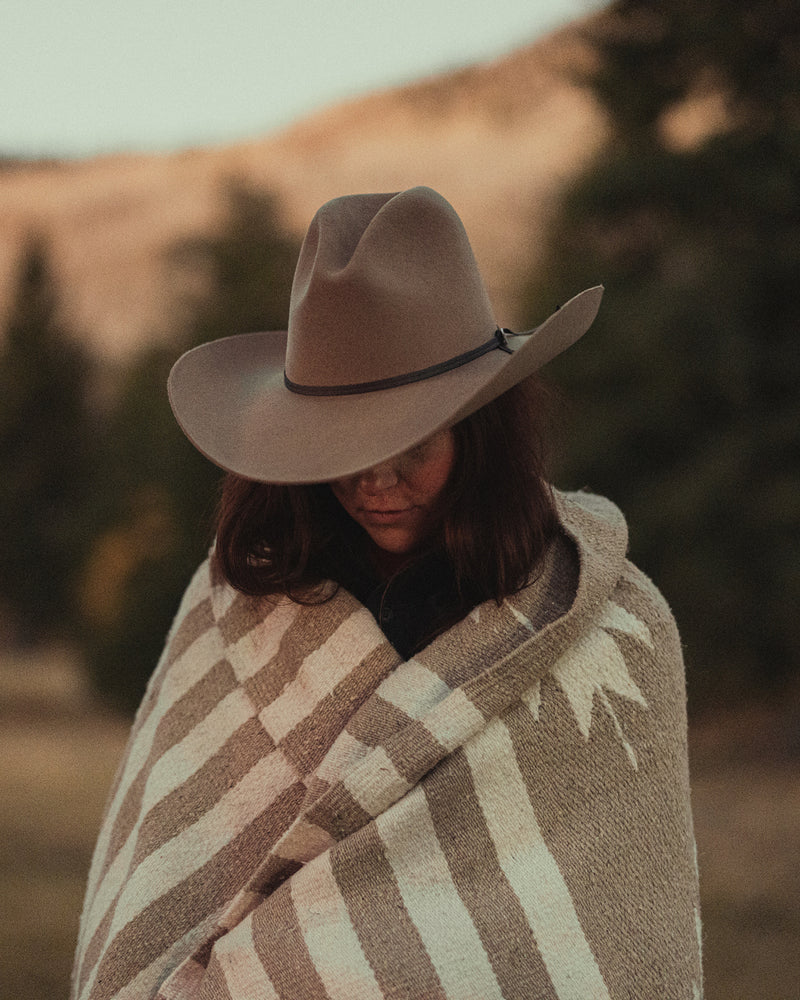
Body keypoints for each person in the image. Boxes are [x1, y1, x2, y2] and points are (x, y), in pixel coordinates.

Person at [72, 187, 703, 1000]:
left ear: (481, 431)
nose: (375, 479)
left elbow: (616, 936)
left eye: (409, 440)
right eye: (341, 446)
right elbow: (156, 899)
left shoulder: (612, 627)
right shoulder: (234, 600)